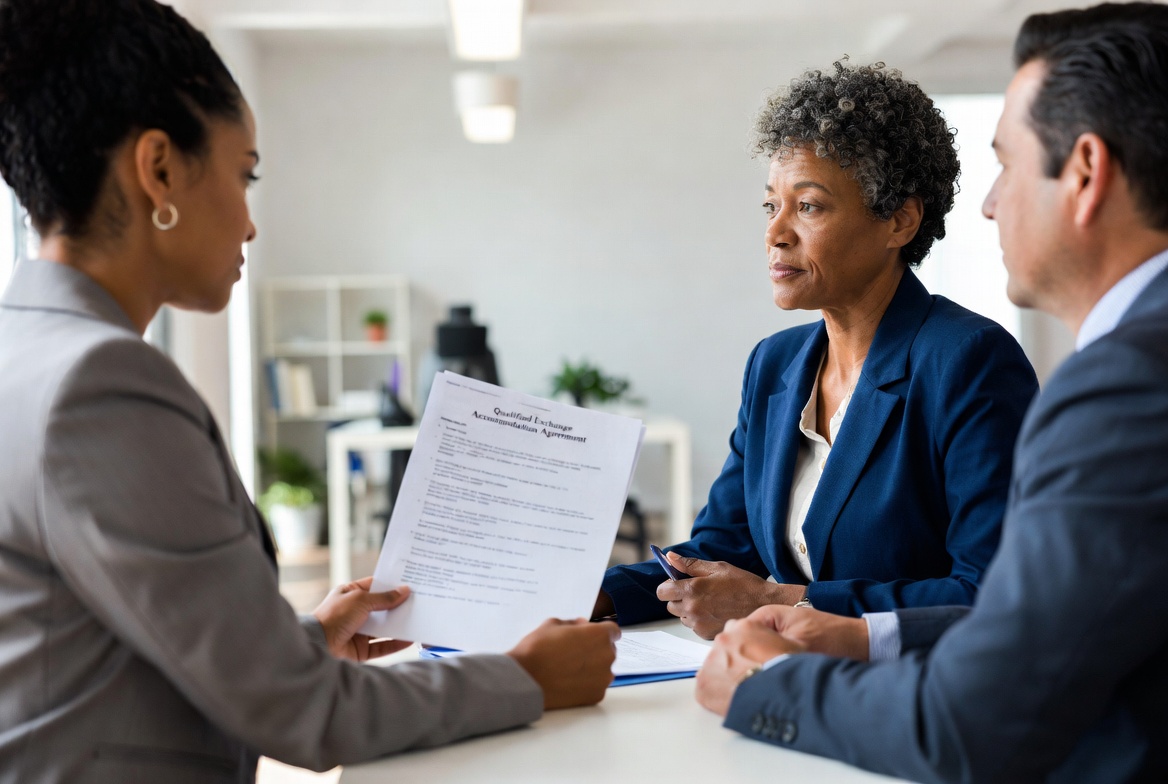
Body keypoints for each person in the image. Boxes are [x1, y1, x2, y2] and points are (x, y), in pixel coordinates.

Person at [0, 1, 619, 781]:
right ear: (158, 168)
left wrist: (296, 639)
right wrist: (529, 677)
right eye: (243, 174)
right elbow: (307, 715)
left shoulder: (26, 350)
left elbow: (104, 637)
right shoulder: (101, 384)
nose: (251, 225)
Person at [695, 3, 1168, 781]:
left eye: (1008, 165)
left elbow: (974, 716)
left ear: (1084, 174)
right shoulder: (776, 363)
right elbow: (1042, 632)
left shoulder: (1122, 386)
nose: (988, 204)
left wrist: (768, 682)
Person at [596, 61, 1038, 637]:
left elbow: (989, 590)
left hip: (911, 695)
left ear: (899, 221)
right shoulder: (774, 364)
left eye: (808, 206)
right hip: (781, 681)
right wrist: (592, 593)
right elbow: (725, 548)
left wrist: (784, 601)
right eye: (770, 205)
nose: (775, 232)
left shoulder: (969, 360)